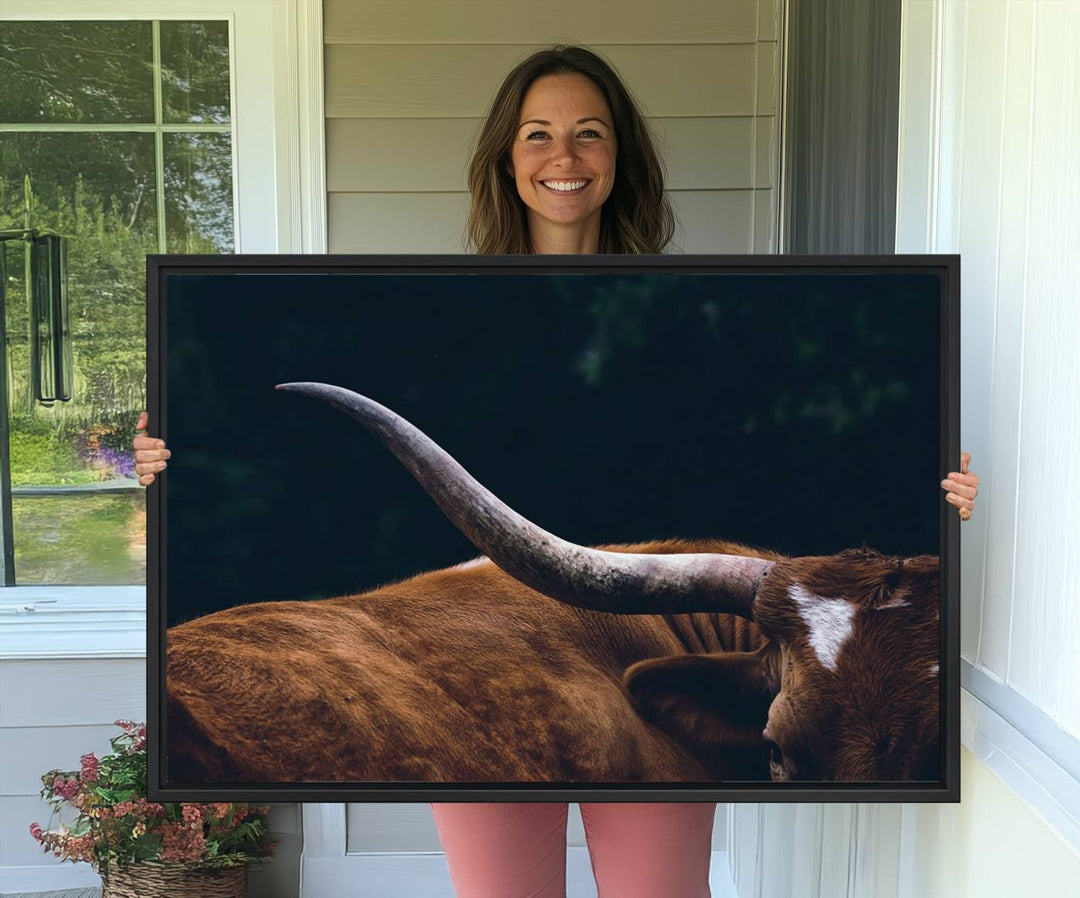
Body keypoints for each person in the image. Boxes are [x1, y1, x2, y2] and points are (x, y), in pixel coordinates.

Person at [133, 45, 980, 898]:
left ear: (621, 158)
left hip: (656, 629)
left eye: (589, 134)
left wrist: (949, 501)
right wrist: (160, 467)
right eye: (537, 135)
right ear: (507, 158)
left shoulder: (710, 306)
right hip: (472, 647)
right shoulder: (435, 307)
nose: (564, 158)